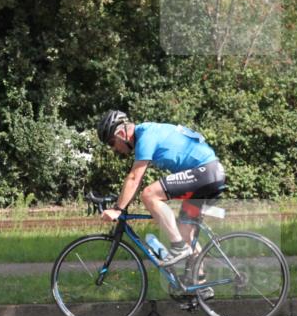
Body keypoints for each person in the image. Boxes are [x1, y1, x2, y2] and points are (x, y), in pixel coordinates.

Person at [96, 110, 225, 268]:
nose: (114, 149)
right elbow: (135, 180)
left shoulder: (146, 135)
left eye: (111, 142)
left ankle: (178, 248)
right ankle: (200, 286)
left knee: (149, 194)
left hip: (205, 172)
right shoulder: (149, 133)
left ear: (122, 133)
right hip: (212, 173)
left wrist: (117, 209)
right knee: (185, 232)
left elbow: (134, 178)